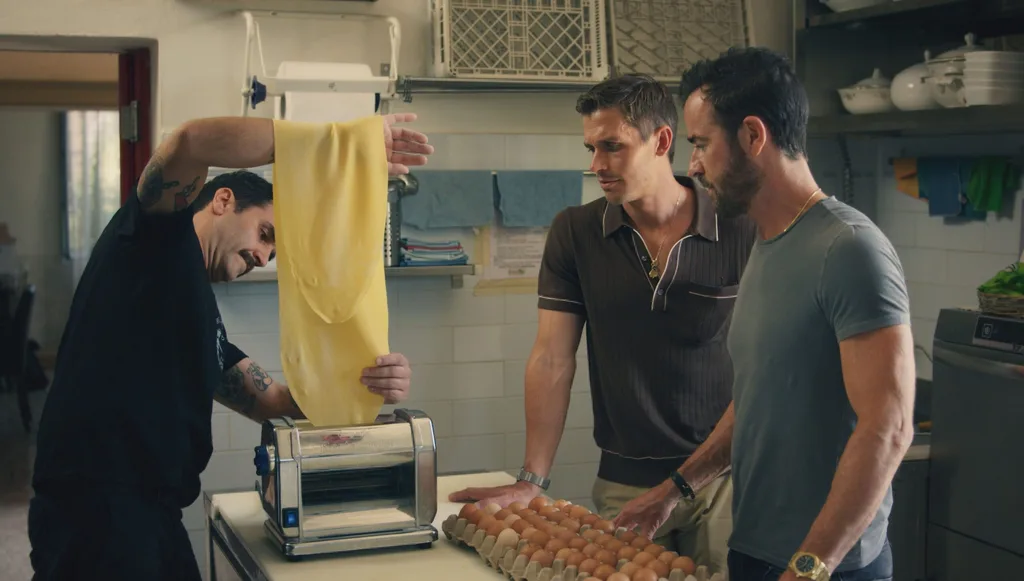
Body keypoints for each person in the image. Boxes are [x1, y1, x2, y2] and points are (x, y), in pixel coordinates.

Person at [28, 113, 434, 580]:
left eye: (273, 254)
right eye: (265, 234)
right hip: (94, 514)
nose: (263, 258)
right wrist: (334, 143)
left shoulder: (197, 313)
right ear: (223, 200)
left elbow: (275, 402)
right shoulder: (154, 241)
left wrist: (368, 383)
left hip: (150, 514)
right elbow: (190, 141)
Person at [613, 48, 916, 581]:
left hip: (829, 567)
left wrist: (808, 567)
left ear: (753, 136)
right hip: (755, 550)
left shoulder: (849, 248)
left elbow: (888, 429)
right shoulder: (766, 242)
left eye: (702, 144)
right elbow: (757, 399)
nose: (694, 165)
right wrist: (674, 490)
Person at [449, 74, 756, 573]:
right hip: (626, 481)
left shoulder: (740, 226)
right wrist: (533, 479)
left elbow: (766, 365)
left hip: (727, 476)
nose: (596, 166)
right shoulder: (576, 231)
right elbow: (552, 357)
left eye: (612, 147)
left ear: (662, 141)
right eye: (591, 148)